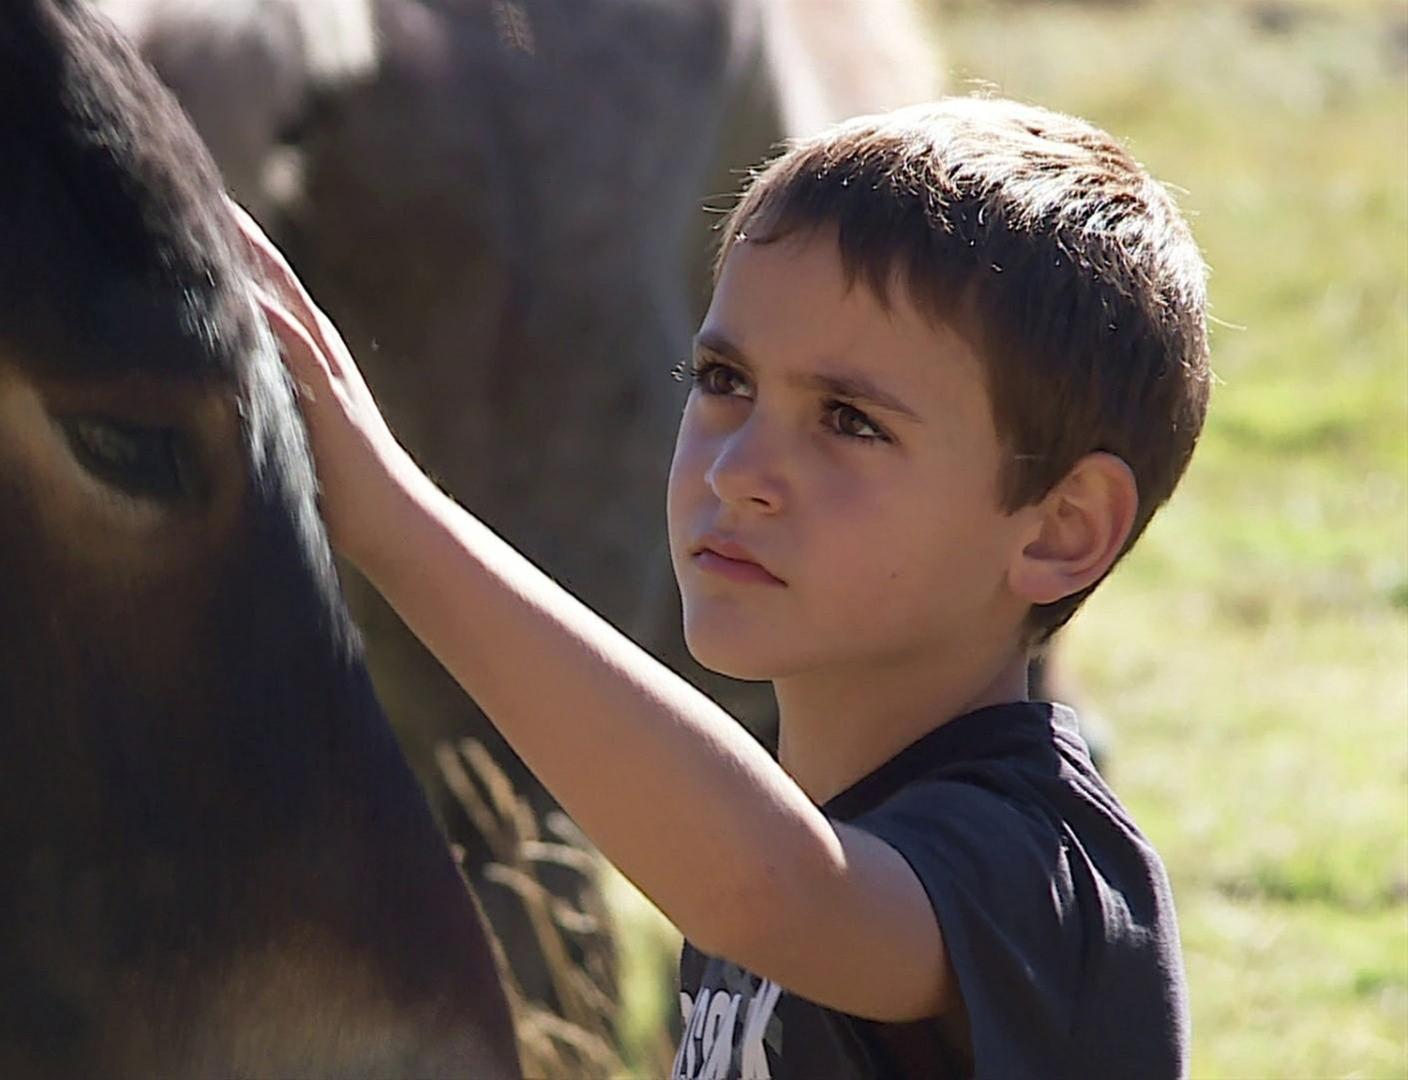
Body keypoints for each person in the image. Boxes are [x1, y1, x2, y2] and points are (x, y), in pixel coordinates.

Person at [231, 94, 1208, 1078]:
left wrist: (392, 519)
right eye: (724, 380)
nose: (738, 467)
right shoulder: (767, 846)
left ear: (1060, 527)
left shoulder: (1047, 871)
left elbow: (776, 893)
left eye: (849, 421)